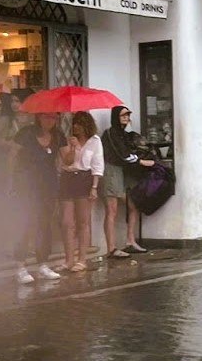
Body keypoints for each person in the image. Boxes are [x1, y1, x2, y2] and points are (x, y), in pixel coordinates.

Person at [13, 112, 64, 284]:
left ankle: (43, 263)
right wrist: (12, 180)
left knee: (45, 224)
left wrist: (73, 147)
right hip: (27, 184)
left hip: (48, 185)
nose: (50, 121)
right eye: (46, 117)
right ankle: (20, 265)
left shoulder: (58, 136)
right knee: (25, 223)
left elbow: (66, 159)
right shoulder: (27, 133)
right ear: (39, 117)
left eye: (54, 117)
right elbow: (13, 155)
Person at [101, 106, 155, 259]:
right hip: (113, 169)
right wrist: (142, 162)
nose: (126, 117)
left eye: (128, 115)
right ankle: (111, 247)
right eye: (123, 115)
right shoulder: (110, 133)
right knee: (111, 209)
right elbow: (123, 154)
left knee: (134, 204)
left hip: (126, 171)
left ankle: (130, 240)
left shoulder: (125, 135)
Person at [59, 111, 103, 273]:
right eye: (75, 123)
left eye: (80, 123)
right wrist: (73, 147)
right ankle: (68, 259)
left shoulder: (95, 141)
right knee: (66, 222)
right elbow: (67, 161)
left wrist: (94, 186)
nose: (77, 126)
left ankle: (82, 259)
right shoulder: (68, 139)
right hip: (68, 177)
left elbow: (97, 164)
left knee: (83, 221)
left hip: (84, 178)